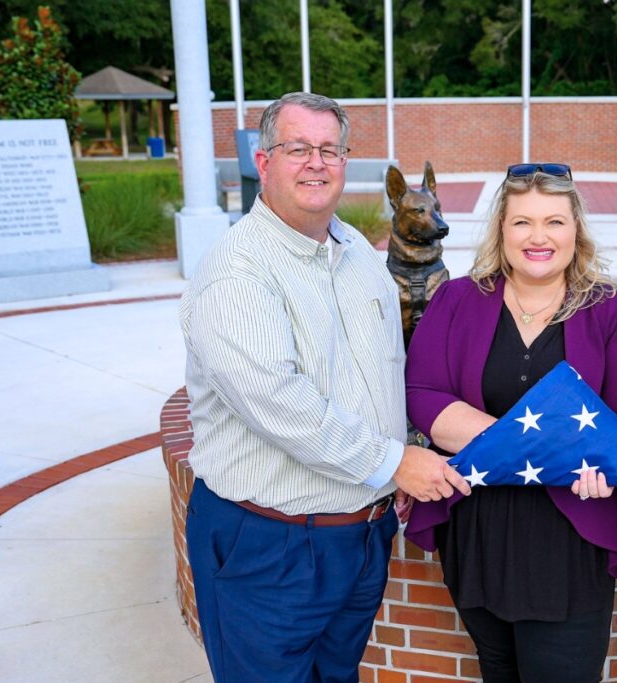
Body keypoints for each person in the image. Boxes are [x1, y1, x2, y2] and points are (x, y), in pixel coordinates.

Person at [178, 91, 470, 683]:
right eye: (298, 148)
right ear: (263, 163)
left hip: (360, 536)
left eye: (330, 150)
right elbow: (281, 405)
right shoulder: (237, 272)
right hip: (268, 542)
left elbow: (385, 369)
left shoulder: (358, 251)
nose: (317, 162)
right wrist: (394, 462)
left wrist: (394, 469)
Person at [403, 163, 617, 683]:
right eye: (522, 222)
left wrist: (604, 462)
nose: (537, 237)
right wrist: (546, 446)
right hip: (477, 530)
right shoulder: (456, 301)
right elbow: (423, 394)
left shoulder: (613, 310)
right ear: (502, 230)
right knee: (497, 670)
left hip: (569, 535)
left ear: (576, 230)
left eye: (554, 222)